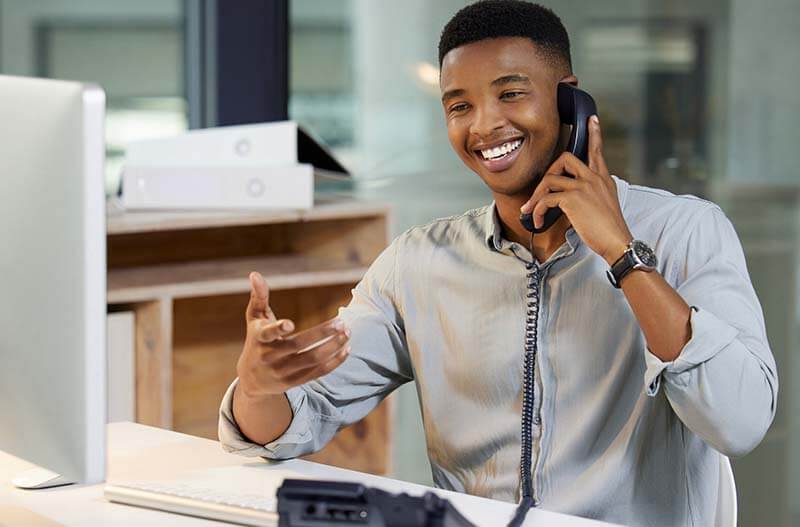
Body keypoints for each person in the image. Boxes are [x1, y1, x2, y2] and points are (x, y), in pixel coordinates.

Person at [218, 1, 778, 525]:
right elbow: (292, 422)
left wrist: (622, 253)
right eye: (459, 105)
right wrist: (259, 387)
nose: (483, 125)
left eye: (511, 94)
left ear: (570, 102)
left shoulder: (686, 232)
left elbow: (740, 421)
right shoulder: (417, 263)